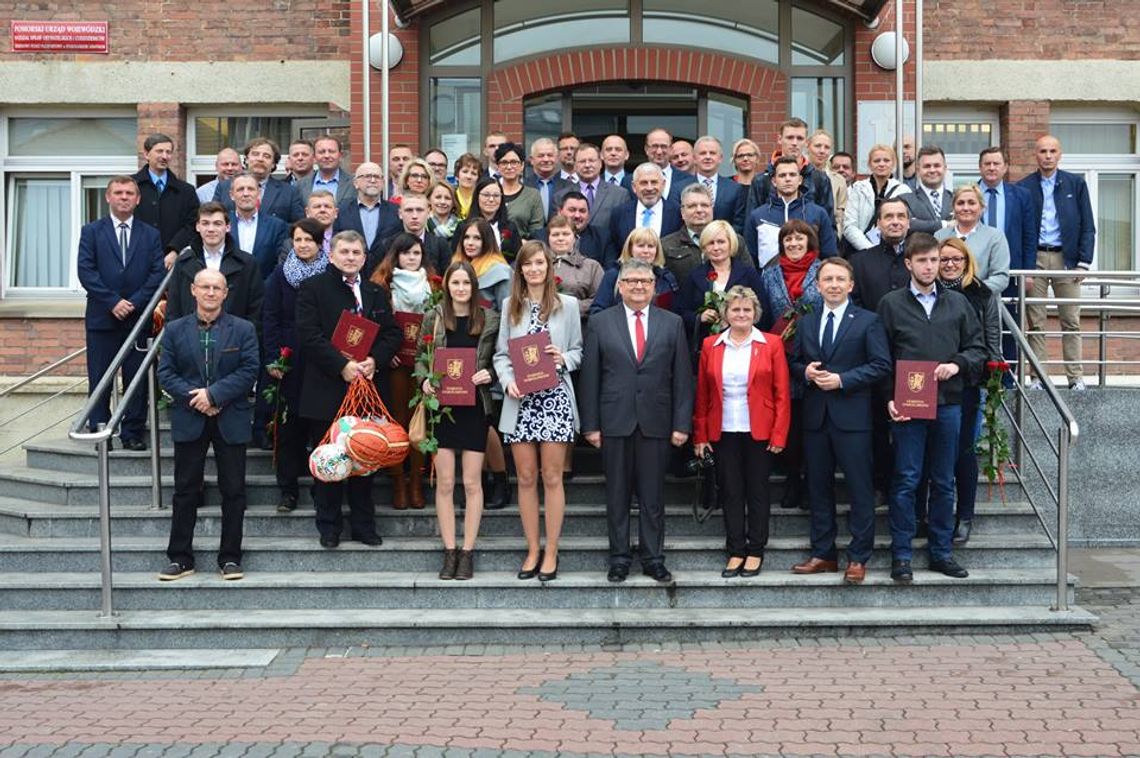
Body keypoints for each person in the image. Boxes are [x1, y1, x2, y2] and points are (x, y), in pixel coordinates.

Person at [877, 233, 986, 583]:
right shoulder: (891, 304)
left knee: (943, 481)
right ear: (908, 264)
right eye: (922, 260)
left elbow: (978, 348)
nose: (929, 266)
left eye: (934, 260)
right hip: (908, 407)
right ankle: (903, 555)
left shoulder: (957, 303)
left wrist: (957, 364)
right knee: (907, 479)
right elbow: (881, 358)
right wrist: (888, 399)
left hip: (948, 405)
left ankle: (941, 553)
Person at [580, 258, 694, 584]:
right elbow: (590, 378)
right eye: (631, 281)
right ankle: (619, 558)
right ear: (620, 286)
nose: (639, 287)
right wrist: (590, 425)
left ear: (654, 287)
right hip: (614, 421)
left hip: (657, 422)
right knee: (616, 495)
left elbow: (682, 379)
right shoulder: (601, 322)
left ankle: (653, 558)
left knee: (653, 496)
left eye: (645, 281)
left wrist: (681, 424)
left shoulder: (671, 323)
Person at [295, 231, 401, 548]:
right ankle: (329, 527)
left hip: (365, 389)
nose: (351, 257)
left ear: (364, 257)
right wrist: (340, 366)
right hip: (326, 388)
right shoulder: (312, 288)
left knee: (364, 458)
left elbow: (392, 334)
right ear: (331, 254)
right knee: (330, 459)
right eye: (344, 251)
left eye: (356, 252)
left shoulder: (374, 292)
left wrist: (373, 360)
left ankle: (363, 526)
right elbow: (307, 335)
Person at [789, 257, 892, 584]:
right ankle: (823, 553)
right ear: (817, 286)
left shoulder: (867, 321)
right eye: (827, 279)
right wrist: (804, 371)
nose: (833, 285)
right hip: (816, 418)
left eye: (839, 279)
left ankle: (858, 557)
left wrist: (843, 380)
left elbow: (881, 365)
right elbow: (792, 362)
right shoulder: (806, 322)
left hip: (853, 418)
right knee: (818, 487)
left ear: (851, 285)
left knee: (860, 489)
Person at [157, 268, 260, 581]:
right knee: (185, 490)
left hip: (231, 417)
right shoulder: (174, 330)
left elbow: (249, 369)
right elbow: (166, 374)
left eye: (217, 287)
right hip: (191, 417)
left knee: (233, 490)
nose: (211, 292)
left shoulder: (243, 329)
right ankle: (180, 558)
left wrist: (214, 396)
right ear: (193, 290)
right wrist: (199, 400)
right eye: (205, 287)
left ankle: (230, 557)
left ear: (226, 293)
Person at [494, 241, 583, 582]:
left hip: (555, 400)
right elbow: (501, 354)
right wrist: (506, 381)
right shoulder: (509, 307)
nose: (533, 269)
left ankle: (552, 550)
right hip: (521, 401)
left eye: (539, 264)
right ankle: (532, 548)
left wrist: (564, 359)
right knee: (527, 478)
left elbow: (578, 351)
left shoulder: (568, 305)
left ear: (549, 268)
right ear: (520, 270)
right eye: (527, 264)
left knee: (552, 477)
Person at [693, 285, 790, 577]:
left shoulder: (771, 344)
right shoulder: (711, 345)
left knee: (758, 491)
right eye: (735, 309)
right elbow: (703, 394)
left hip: (759, 430)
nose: (741, 314)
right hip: (722, 429)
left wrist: (779, 434)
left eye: (747, 309)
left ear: (756, 313)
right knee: (731, 492)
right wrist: (700, 435)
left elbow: (782, 393)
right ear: (725, 313)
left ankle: (756, 549)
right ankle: (735, 549)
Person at [418, 261, 500, 580]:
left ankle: (467, 552)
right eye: (455, 283)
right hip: (443, 408)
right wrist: (424, 380)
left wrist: (489, 373)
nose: (461, 289)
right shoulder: (434, 318)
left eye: (466, 283)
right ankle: (449, 550)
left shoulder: (489, 318)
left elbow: (499, 359)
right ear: (447, 286)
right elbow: (421, 358)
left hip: (475, 408)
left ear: (473, 286)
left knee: (471, 482)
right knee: (446, 483)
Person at [918, 238, 1002, 547]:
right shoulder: (927, 292)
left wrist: (992, 375)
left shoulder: (982, 293)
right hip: (928, 382)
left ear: (967, 262)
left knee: (964, 450)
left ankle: (964, 515)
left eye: (957, 259)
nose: (950, 264)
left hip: (966, 382)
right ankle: (930, 514)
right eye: (944, 259)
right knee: (930, 451)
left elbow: (991, 335)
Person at [77, 176, 165, 450]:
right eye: (118, 193)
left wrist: (135, 302)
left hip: (137, 320)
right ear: (108, 197)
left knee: (136, 379)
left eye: (129, 193)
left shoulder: (150, 234)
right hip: (103, 318)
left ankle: (132, 433)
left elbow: (156, 274)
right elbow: (86, 272)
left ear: (138, 199)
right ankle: (100, 430)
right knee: (101, 377)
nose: (124, 197)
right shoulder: (91, 231)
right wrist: (113, 301)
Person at [1018, 134, 1096, 391]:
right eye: (1043, 151)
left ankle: (1075, 378)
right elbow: (1020, 228)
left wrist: (1083, 262)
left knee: (1071, 320)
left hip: (1067, 259)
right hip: (1035, 258)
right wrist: (1024, 266)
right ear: (1035, 155)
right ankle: (1037, 378)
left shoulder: (1076, 184)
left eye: (1052, 151)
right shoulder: (1024, 186)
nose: (1048, 156)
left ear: (1060, 154)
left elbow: (1088, 225)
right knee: (1036, 321)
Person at [262, 217, 329, 513]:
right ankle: (287, 491)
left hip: (321, 360)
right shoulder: (280, 275)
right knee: (288, 428)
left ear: (319, 243)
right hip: (289, 358)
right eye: (298, 240)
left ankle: (322, 488)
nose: (303, 245)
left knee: (320, 427)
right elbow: (270, 318)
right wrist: (274, 358)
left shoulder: (331, 274)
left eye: (309, 240)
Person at [758, 220, 825, 510]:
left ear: (810, 242)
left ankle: (812, 484)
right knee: (790, 425)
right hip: (780, 358)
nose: (794, 244)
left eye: (800, 239)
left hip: (815, 357)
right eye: (789, 240)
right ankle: (792, 481)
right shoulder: (770, 274)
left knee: (813, 426)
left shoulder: (823, 270)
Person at [848, 197, 912, 501]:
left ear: (909, 223)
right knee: (875, 424)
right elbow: (855, 306)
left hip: (913, 357)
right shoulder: (860, 262)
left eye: (901, 216)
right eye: (889, 217)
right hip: (872, 357)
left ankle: (906, 486)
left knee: (910, 426)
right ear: (878, 224)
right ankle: (879, 484)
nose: (895, 221)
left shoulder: (920, 259)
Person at [450, 217, 513, 509]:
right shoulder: (458, 267)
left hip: (490, 356)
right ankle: (479, 483)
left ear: (488, 240)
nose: (471, 243)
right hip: (461, 359)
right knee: (468, 428)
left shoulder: (499, 271)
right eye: (466, 238)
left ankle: (500, 480)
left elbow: (508, 313)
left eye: (477, 238)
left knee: (488, 426)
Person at [369, 232, 435, 510]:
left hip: (422, 366)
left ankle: (416, 483)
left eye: (416, 253)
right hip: (393, 366)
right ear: (396, 256)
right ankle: (398, 482)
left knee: (420, 422)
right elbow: (370, 324)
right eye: (406, 253)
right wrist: (386, 354)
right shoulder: (380, 285)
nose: (411, 258)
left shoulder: (434, 284)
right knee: (397, 422)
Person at [977, 146, 1037, 365]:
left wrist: (1028, 273)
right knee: (977, 326)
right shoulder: (969, 194)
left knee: (1010, 326)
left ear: (1005, 167)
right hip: (977, 273)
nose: (992, 168)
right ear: (980, 167)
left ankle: (1009, 378)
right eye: (987, 164)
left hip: (1011, 273)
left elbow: (1030, 237)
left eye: (996, 163)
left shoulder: (1021, 196)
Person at [166, 202, 264, 336]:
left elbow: (256, 311)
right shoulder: (183, 263)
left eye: (217, 223)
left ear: (228, 227)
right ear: (197, 227)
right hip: (190, 342)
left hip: (234, 343)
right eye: (205, 223)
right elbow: (173, 309)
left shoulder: (248, 263)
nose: (211, 229)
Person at [678, 221, 768, 344]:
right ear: (704, 247)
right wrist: (699, 317)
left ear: (731, 244)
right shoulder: (694, 276)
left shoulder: (748, 274)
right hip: (706, 344)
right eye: (711, 243)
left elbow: (764, 312)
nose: (716, 248)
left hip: (745, 343)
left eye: (721, 242)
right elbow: (680, 313)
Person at [746, 156, 838, 264]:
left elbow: (829, 256)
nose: (788, 179)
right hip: (768, 279)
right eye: (782, 175)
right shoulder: (757, 216)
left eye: (792, 175)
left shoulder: (818, 214)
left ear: (800, 180)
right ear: (774, 181)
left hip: (810, 279)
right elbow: (750, 260)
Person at [747, 118, 834, 224]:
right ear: (779, 139)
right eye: (790, 137)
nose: (794, 143)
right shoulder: (761, 180)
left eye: (800, 138)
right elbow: (751, 223)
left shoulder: (819, 179)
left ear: (806, 142)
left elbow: (829, 224)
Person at [133, 133, 199, 262]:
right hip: (137, 259)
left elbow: (192, 225)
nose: (164, 156)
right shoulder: (131, 187)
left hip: (174, 262)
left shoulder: (186, 191)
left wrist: (175, 250)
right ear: (146, 154)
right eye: (159, 151)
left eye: (168, 152)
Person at [934, 185, 1011, 294]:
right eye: (960, 203)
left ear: (982, 207)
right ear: (953, 208)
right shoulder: (939, 236)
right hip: (945, 303)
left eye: (971, 203)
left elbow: (1000, 277)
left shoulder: (995, 237)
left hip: (982, 303)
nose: (966, 208)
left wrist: (972, 291)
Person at [590, 228, 680, 316]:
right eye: (641, 246)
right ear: (630, 248)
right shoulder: (613, 276)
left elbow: (674, 316)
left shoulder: (666, 279)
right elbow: (597, 312)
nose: (646, 251)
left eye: (651, 246)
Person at [213, 138, 304, 224]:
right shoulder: (224, 188)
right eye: (255, 154)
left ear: (273, 164)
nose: (260, 159)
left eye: (266, 156)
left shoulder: (289, 192)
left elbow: (297, 227)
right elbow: (214, 219)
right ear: (247, 159)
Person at [608, 162, 682, 266]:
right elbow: (613, 249)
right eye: (643, 183)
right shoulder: (620, 213)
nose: (649, 188)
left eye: (654, 182)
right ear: (634, 186)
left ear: (663, 184)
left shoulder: (677, 212)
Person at [843, 144, 912, 253]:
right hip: (860, 251)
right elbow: (849, 225)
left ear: (893, 164)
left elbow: (906, 223)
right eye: (877, 161)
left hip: (893, 250)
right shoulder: (858, 188)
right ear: (870, 164)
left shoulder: (904, 190)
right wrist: (870, 249)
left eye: (886, 160)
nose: (881, 164)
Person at [333, 162, 402, 260]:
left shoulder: (396, 211)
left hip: (386, 271)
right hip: (352, 270)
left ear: (383, 183)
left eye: (377, 177)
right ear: (356, 183)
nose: (373, 180)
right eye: (367, 176)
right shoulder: (342, 210)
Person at [562, 142, 629, 240]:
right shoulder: (561, 195)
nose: (587, 165)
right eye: (582, 161)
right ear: (575, 166)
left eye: (592, 160)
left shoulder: (620, 194)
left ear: (600, 163)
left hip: (605, 251)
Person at [228, 174, 290, 280]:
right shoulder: (222, 224)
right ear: (232, 195)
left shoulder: (277, 226)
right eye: (240, 189)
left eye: (251, 189)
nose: (246, 194)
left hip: (265, 290)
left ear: (259, 193)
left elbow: (280, 263)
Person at [375, 192, 451, 275]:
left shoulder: (440, 246)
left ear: (428, 213)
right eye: (409, 210)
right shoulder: (387, 245)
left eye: (419, 210)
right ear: (400, 214)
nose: (414, 216)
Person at [548, 215, 604, 320]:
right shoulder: (538, 265)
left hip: (580, 325)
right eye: (555, 234)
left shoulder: (591, 266)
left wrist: (568, 307)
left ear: (575, 237)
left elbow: (600, 300)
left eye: (565, 234)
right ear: (548, 238)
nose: (560, 238)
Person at [691, 136, 747, 234]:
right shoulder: (680, 188)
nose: (707, 157)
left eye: (712, 153)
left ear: (720, 158)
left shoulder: (735, 189)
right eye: (703, 153)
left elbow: (739, 224)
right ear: (694, 158)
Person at [495, 142, 545, 236]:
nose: (509, 167)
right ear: (498, 166)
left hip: (524, 248)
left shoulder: (532, 195)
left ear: (522, 165)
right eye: (504, 162)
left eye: (514, 162)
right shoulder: (490, 193)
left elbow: (537, 230)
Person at [806, 129, 848, 239]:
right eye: (818, 146)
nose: (822, 151)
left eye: (826, 147)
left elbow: (840, 214)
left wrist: (835, 236)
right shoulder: (796, 174)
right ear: (808, 146)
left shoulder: (839, 180)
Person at [903, 146, 954, 235]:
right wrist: (945, 224)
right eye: (927, 166)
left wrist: (922, 224)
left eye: (937, 165)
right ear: (918, 170)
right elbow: (909, 224)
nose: (932, 170)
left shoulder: (956, 199)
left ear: (945, 168)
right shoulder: (905, 200)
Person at [470, 176, 522, 260]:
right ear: (477, 196)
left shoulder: (510, 227)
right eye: (486, 195)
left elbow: (517, 257)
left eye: (496, 195)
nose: (491, 199)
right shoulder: (464, 226)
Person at [297, 135, 355, 206]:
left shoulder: (354, 184)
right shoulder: (300, 185)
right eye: (321, 152)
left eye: (331, 151)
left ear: (340, 155)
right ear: (314, 157)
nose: (327, 156)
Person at [643, 127, 697, 204]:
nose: (659, 151)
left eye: (664, 146)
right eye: (654, 146)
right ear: (646, 149)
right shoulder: (629, 181)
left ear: (671, 149)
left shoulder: (689, 180)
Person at [526, 137, 569, 219]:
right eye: (541, 156)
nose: (546, 159)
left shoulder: (569, 187)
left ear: (556, 159)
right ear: (532, 160)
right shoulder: (523, 186)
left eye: (550, 155)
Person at [453, 153, 483, 220]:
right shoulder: (450, 196)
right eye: (465, 171)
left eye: (473, 173)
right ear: (457, 175)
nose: (469, 176)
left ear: (478, 178)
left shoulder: (481, 198)